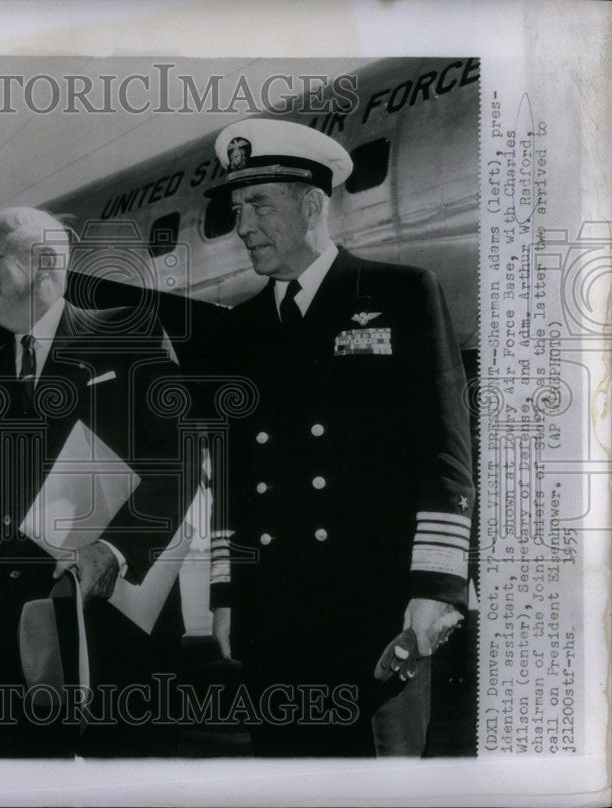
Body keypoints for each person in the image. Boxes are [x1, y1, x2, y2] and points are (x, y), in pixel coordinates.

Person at [202, 120, 475, 756]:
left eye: (260, 204)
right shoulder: (237, 332)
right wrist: (227, 594)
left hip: (373, 617)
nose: (243, 225)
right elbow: (234, 473)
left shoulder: (399, 295)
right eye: (237, 207)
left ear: (313, 204)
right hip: (271, 618)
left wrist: (434, 592)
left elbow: (444, 457)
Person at [0, 207, 193, 757]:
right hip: (15, 651)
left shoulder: (131, 333)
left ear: (47, 261)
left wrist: (114, 550)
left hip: (121, 634)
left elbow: (179, 462)